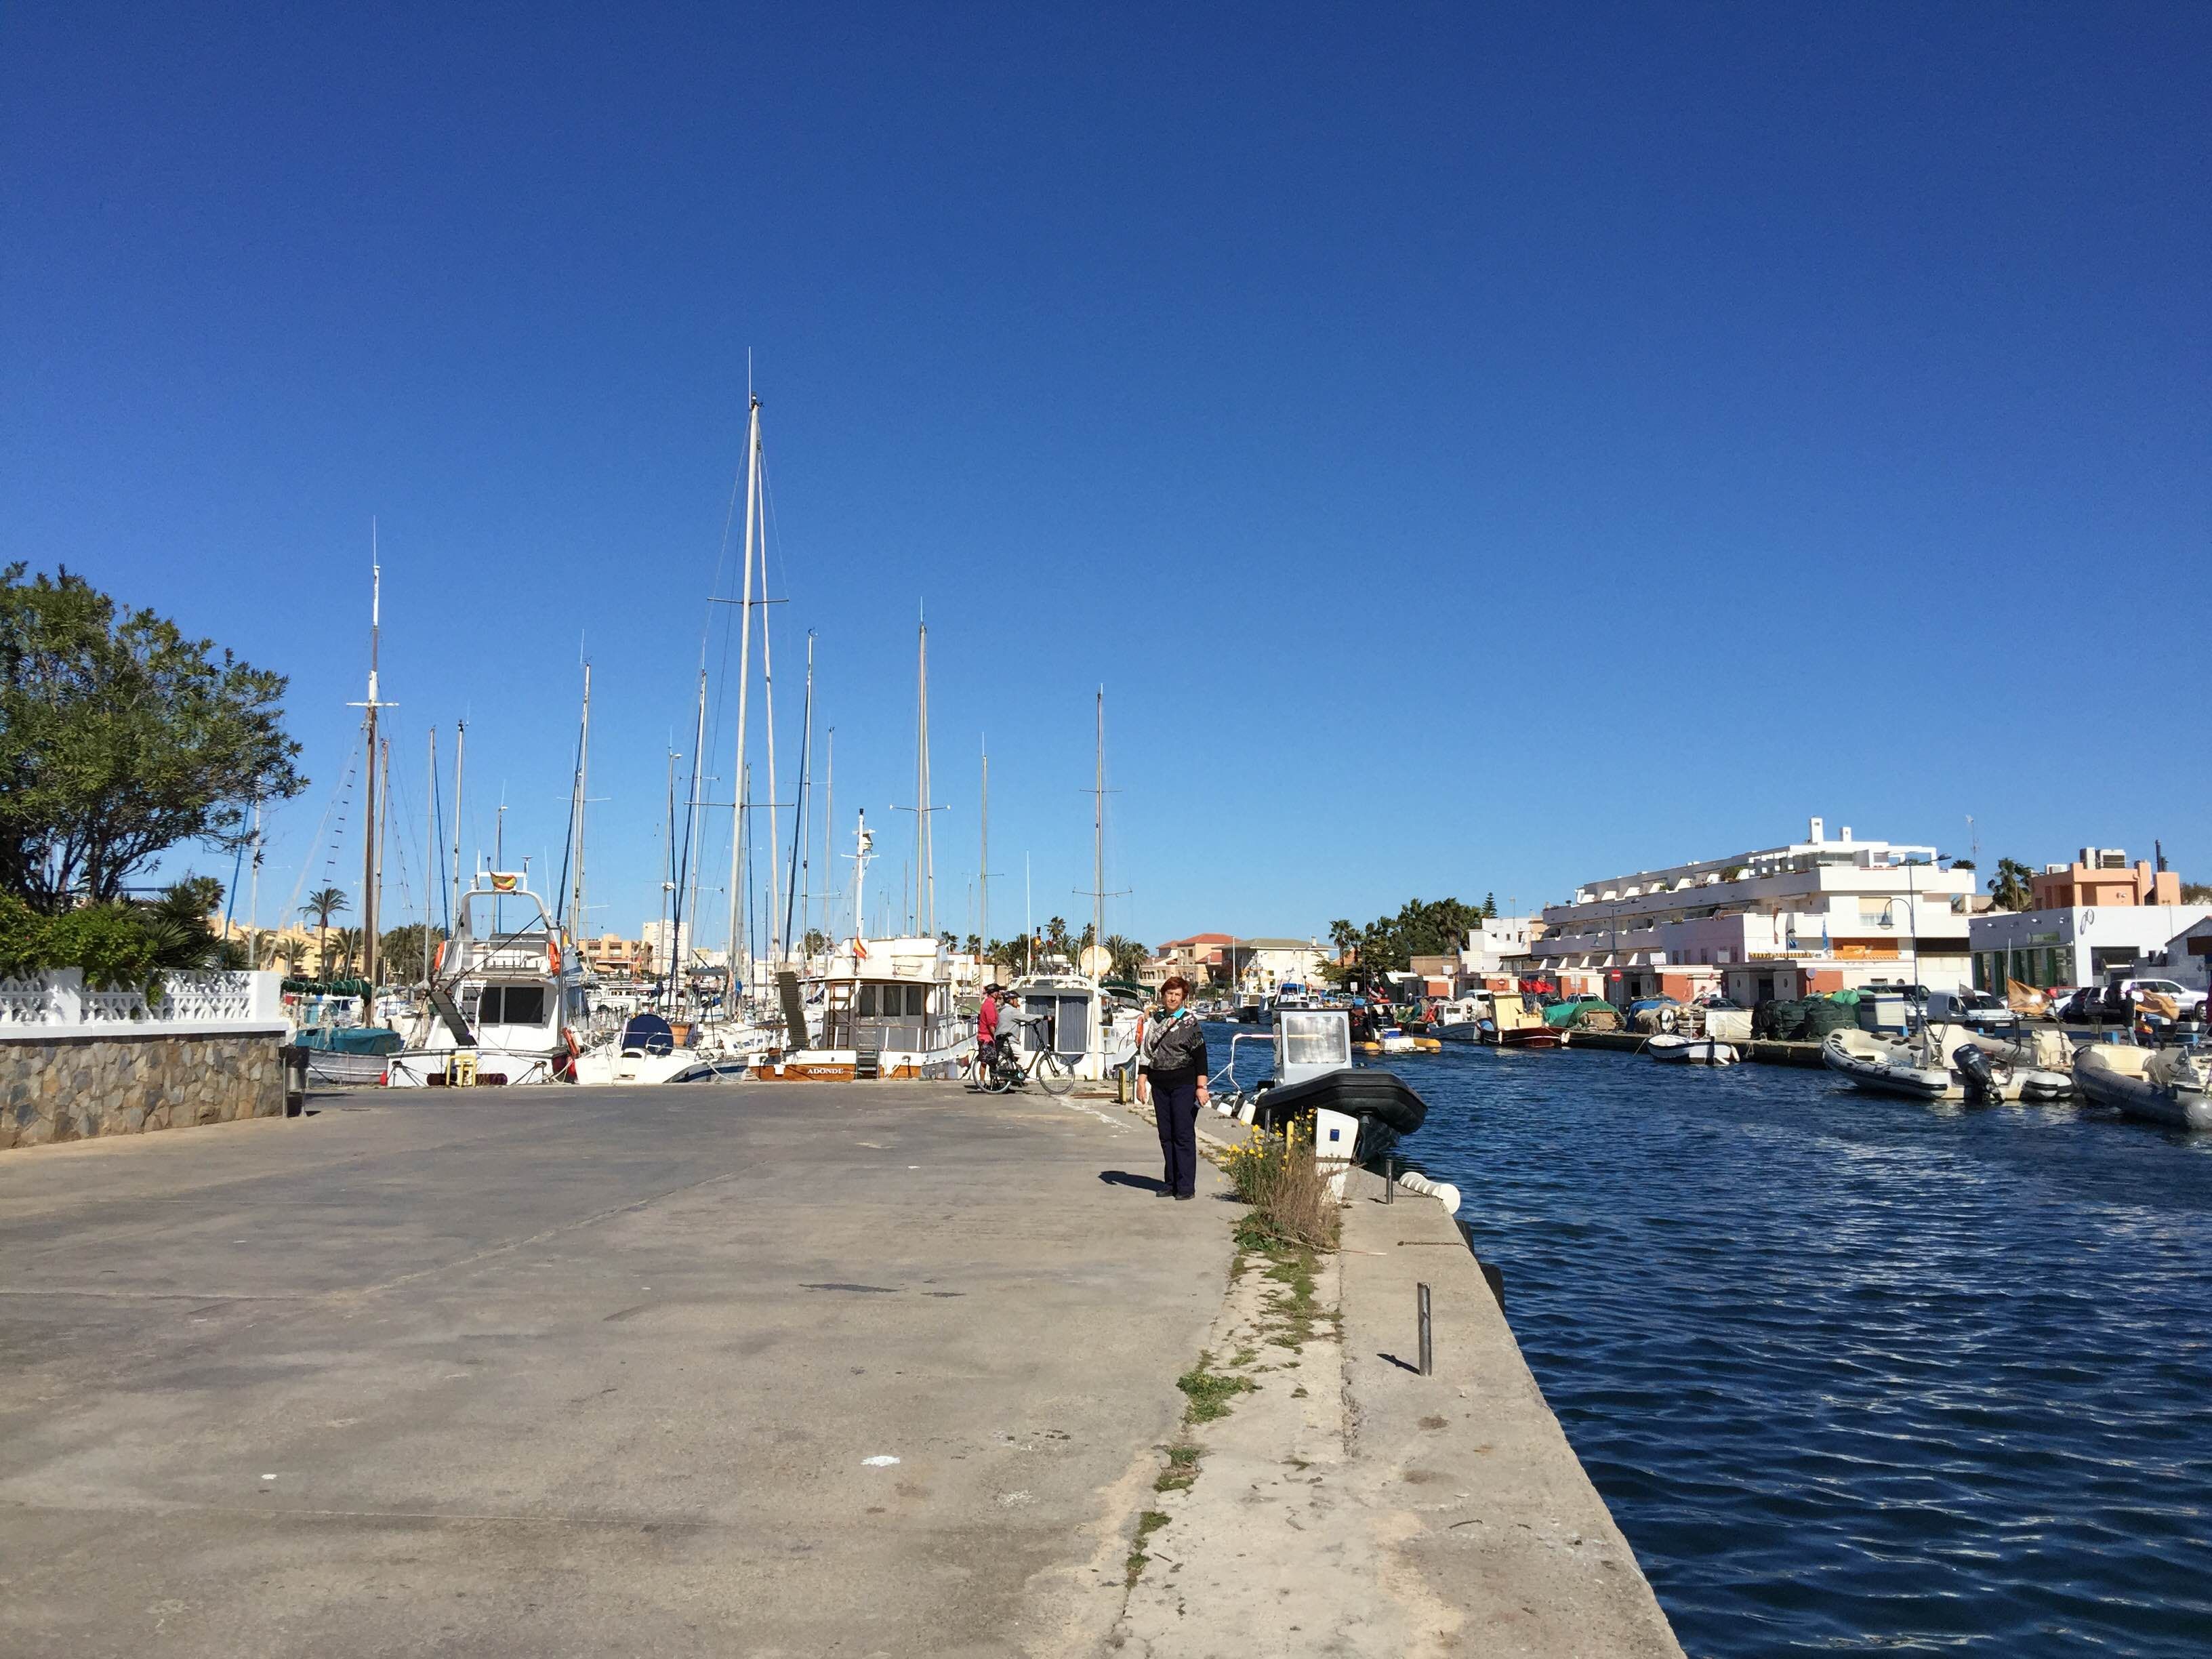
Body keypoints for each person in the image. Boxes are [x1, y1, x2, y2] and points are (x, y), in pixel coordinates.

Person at [1143, 977, 1209, 1200]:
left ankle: (1186, 1187)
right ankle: (1170, 1182)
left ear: (1183, 998)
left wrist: (1201, 1086)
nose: (1172, 998)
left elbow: (1201, 1056)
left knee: (1183, 1135)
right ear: (1163, 995)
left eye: (1177, 994)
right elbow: (1146, 1053)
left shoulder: (1189, 1022)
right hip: (1159, 1084)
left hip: (1184, 1084)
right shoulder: (1155, 1020)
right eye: (1169, 993)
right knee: (1166, 1135)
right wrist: (1142, 1080)